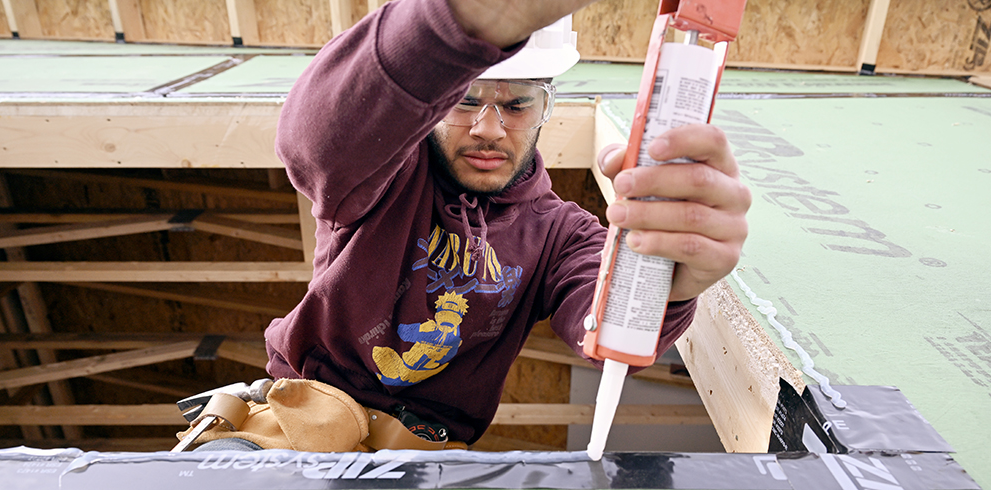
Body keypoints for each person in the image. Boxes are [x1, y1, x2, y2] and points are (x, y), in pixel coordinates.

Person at [264, 0, 751, 447]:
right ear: (434, 108)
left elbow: (608, 330)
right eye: (466, 102)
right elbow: (316, 141)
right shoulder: (384, 173)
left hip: (426, 455)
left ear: (546, 110)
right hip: (299, 424)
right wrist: (457, 20)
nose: (489, 129)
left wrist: (669, 283)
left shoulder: (560, 236)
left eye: (517, 105)